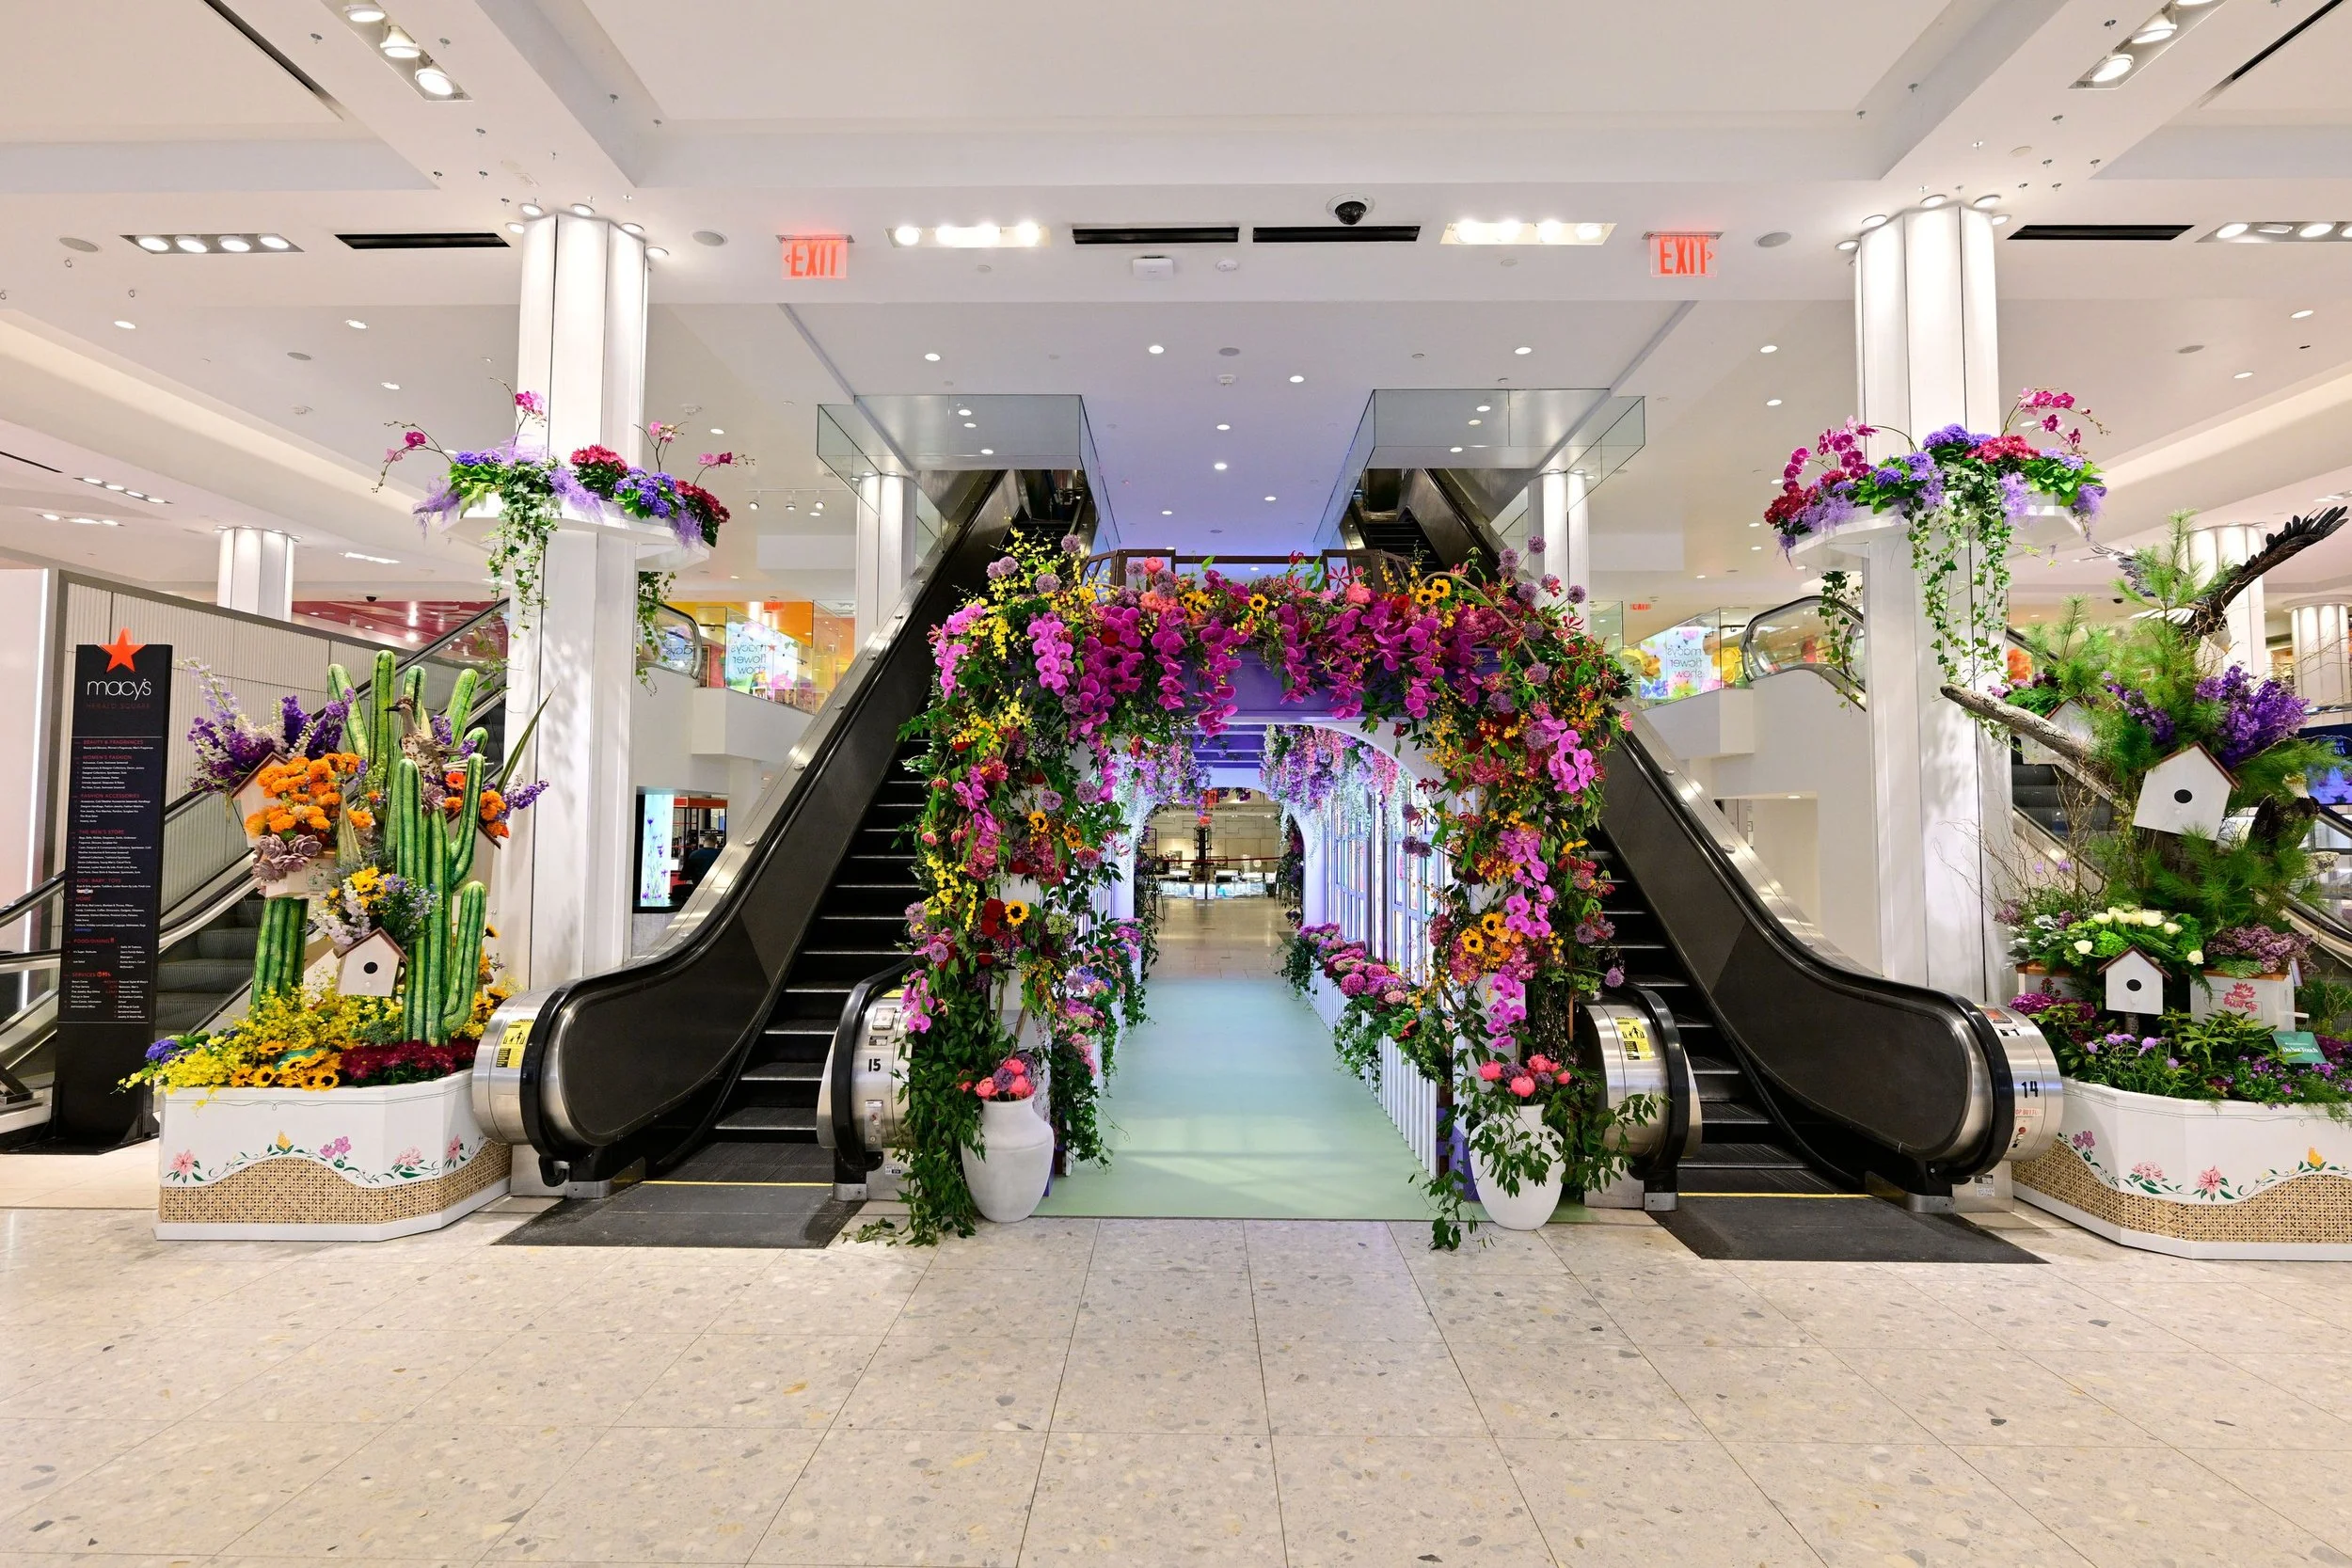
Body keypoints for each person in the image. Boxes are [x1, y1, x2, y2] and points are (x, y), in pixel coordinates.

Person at [675, 831, 723, 903]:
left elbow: (685, 874)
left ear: (704, 841)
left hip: (697, 887)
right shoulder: (720, 855)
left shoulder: (694, 854)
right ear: (715, 842)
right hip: (715, 888)